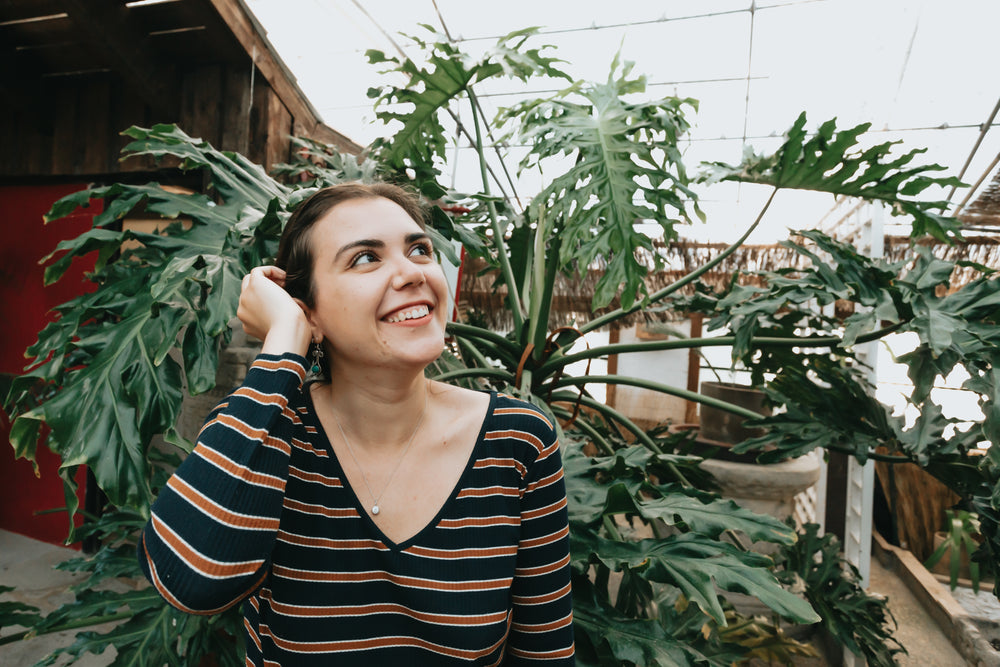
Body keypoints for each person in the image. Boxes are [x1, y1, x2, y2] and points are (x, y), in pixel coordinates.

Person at [138, 182, 575, 665]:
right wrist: (285, 342)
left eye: (419, 250)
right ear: (309, 311)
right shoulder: (266, 434)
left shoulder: (516, 439)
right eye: (365, 258)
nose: (411, 272)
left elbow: (544, 650)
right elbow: (193, 581)